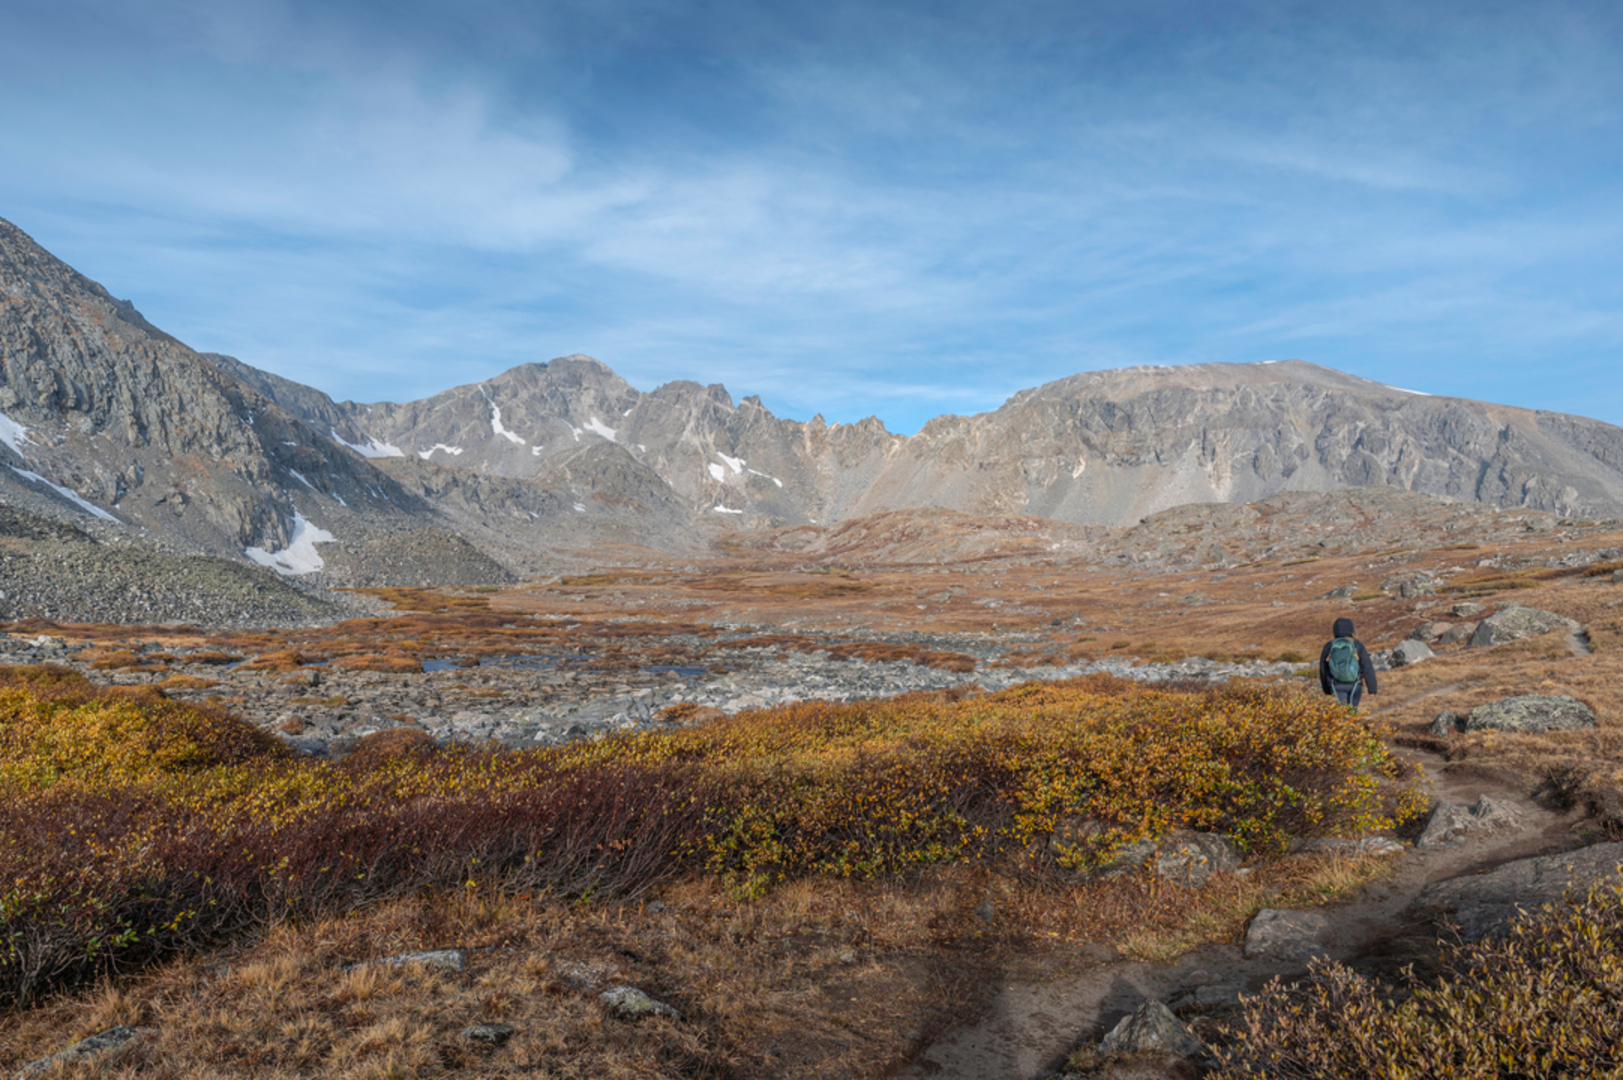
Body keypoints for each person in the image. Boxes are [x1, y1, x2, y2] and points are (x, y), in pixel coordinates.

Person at [1319, 616, 1377, 707]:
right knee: (1352, 711)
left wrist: (1326, 689)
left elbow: (1323, 668)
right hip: (1355, 684)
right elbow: (1367, 666)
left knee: (1341, 713)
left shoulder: (1329, 645)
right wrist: (1372, 688)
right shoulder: (1357, 645)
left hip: (1336, 684)